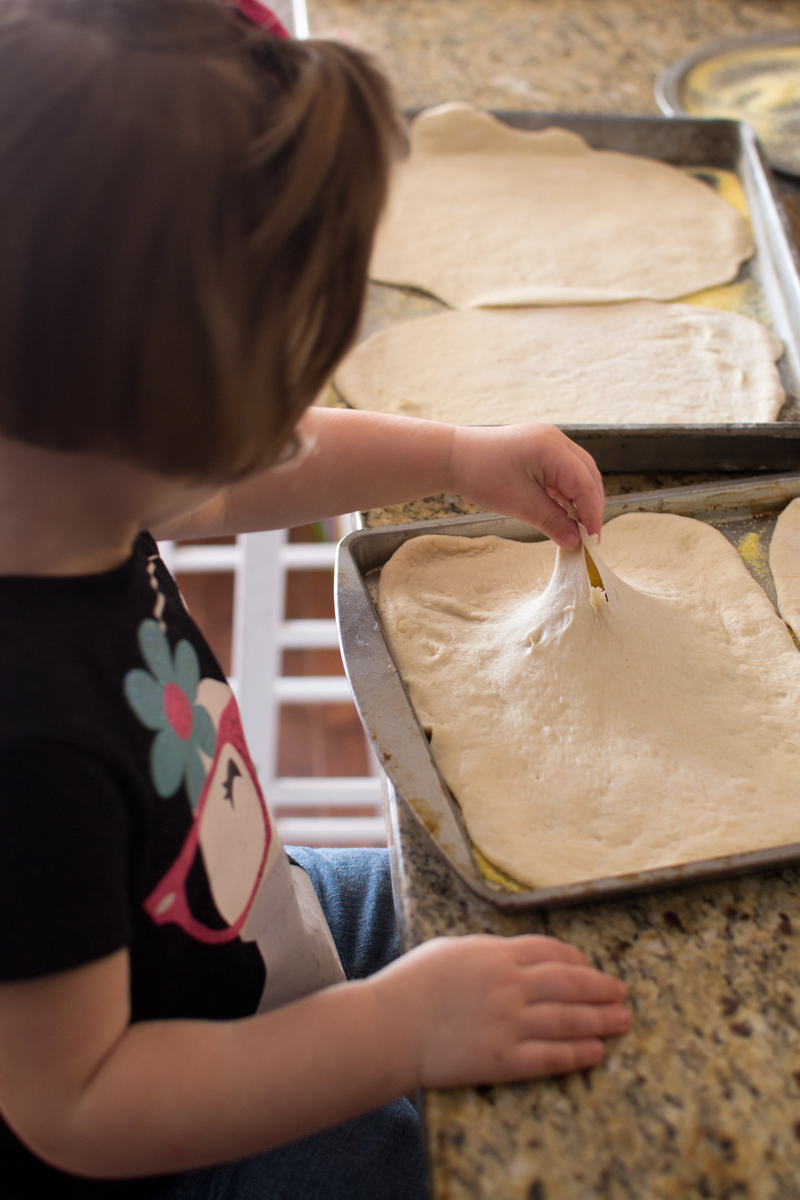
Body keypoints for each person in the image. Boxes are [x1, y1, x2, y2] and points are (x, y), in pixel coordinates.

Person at [0, 1, 630, 1197]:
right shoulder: (25, 752)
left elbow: (231, 473)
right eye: (272, 390)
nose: (286, 431)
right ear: (145, 402)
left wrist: (453, 454)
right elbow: (77, 1104)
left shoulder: (58, 464)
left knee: (495, 918)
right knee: (456, 1168)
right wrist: (396, 1034)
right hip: (171, 1144)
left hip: (241, 925)